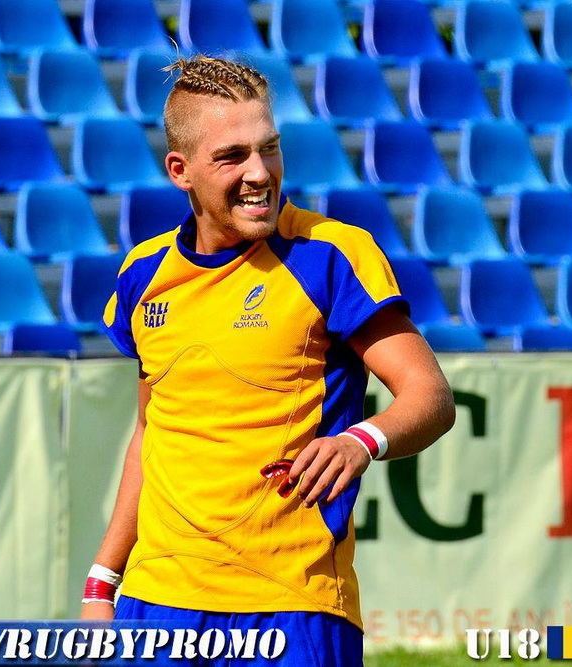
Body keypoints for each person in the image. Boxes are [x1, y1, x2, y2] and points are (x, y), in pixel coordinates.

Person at [82, 55, 455, 665]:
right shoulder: (143, 274)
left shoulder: (331, 255)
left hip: (293, 607)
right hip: (155, 604)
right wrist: (103, 580)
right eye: (232, 156)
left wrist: (360, 441)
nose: (259, 172)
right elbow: (152, 433)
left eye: (269, 149)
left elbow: (430, 397)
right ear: (180, 171)